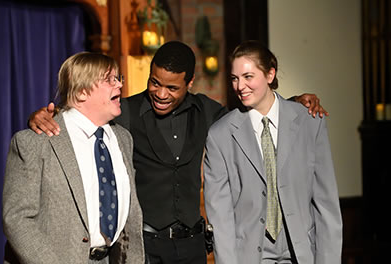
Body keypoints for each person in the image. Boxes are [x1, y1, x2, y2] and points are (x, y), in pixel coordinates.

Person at [28, 41, 328, 264]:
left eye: (172, 88)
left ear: (189, 84)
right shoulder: (125, 112)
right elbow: (81, 119)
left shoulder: (208, 111)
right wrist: (41, 116)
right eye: (155, 83)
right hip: (143, 247)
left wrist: (293, 102)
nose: (160, 93)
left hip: (193, 247)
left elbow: (254, 119)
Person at [203, 40, 342, 264]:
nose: (240, 86)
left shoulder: (310, 123)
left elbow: (326, 206)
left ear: (270, 74)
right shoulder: (220, 135)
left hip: (302, 255)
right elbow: (221, 218)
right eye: (235, 78)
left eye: (248, 77)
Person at [2, 52, 144, 264]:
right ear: (81, 92)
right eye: (109, 79)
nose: (119, 85)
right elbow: (17, 219)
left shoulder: (123, 139)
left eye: (118, 78)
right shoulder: (34, 143)